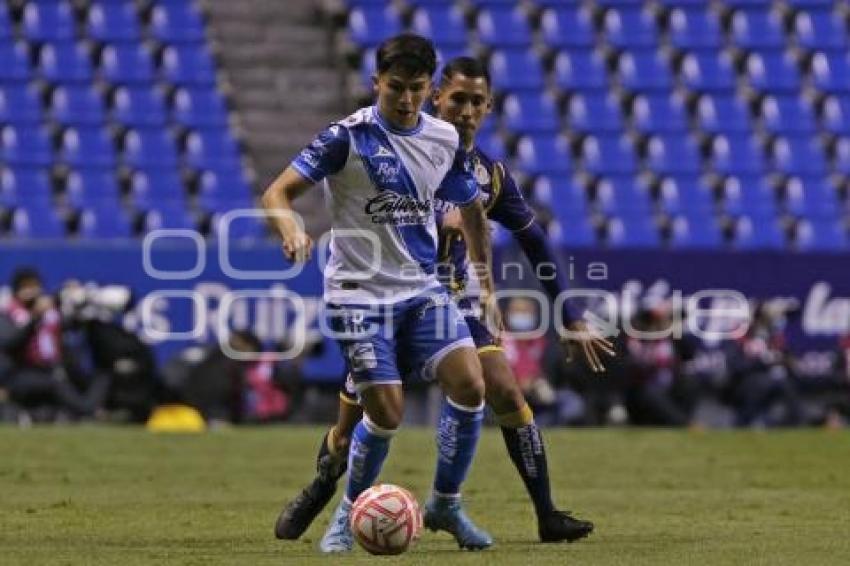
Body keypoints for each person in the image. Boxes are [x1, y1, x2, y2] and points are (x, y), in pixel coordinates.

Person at [274, 56, 614, 544]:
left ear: (490, 107)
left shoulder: (489, 176)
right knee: (357, 428)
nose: (467, 111)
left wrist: (566, 313)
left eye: (478, 102)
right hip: (379, 298)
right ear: (437, 97)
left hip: (447, 300)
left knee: (501, 387)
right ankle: (326, 480)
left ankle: (535, 512)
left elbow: (534, 241)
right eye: (458, 99)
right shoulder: (402, 145)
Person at [261, 35, 496, 552]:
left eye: (416, 89)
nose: (406, 100)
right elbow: (276, 193)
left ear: (430, 88)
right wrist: (292, 230)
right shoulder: (346, 137)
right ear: (376, 84)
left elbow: (473, 209)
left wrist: (483, 284)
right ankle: (346, 514)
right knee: (386, 411)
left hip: (420, 289)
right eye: (395, 89)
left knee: (471, 385)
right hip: (357, 295)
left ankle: (446, 504)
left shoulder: (445, 139)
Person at [0, 268, 101, 420]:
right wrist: (34, 318)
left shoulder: (49, 312)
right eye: (27, 287)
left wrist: (69, 299)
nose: (32, 292)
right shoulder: (9, 313)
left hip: (50, 367)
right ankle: (88, 411)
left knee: (91, 374)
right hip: (19, 373)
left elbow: (71, 326)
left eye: (35, 286)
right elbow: (9, 342)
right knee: (56, 384)